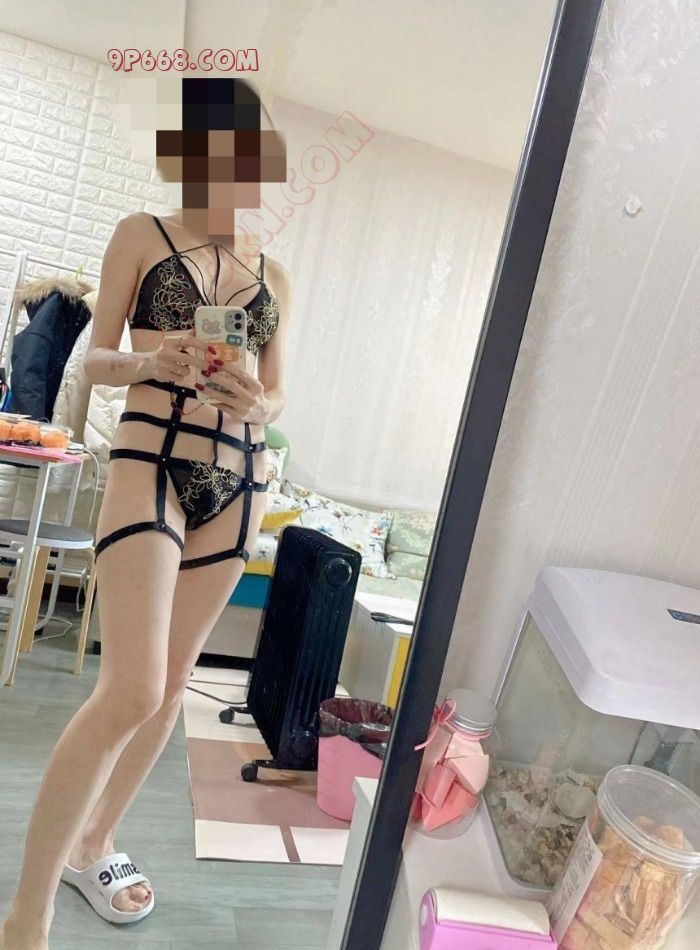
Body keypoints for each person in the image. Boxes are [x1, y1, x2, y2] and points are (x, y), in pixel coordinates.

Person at [1, 78, 290, 949]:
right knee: (130, 686)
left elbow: (279, 395)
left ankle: (95, 844)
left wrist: (258, 400)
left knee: (169, 688)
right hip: (151, 457)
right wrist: (153, 360)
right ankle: (26, 915)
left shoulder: (275, 274)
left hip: (240, 480)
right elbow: (94, 363)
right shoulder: (142, 234)